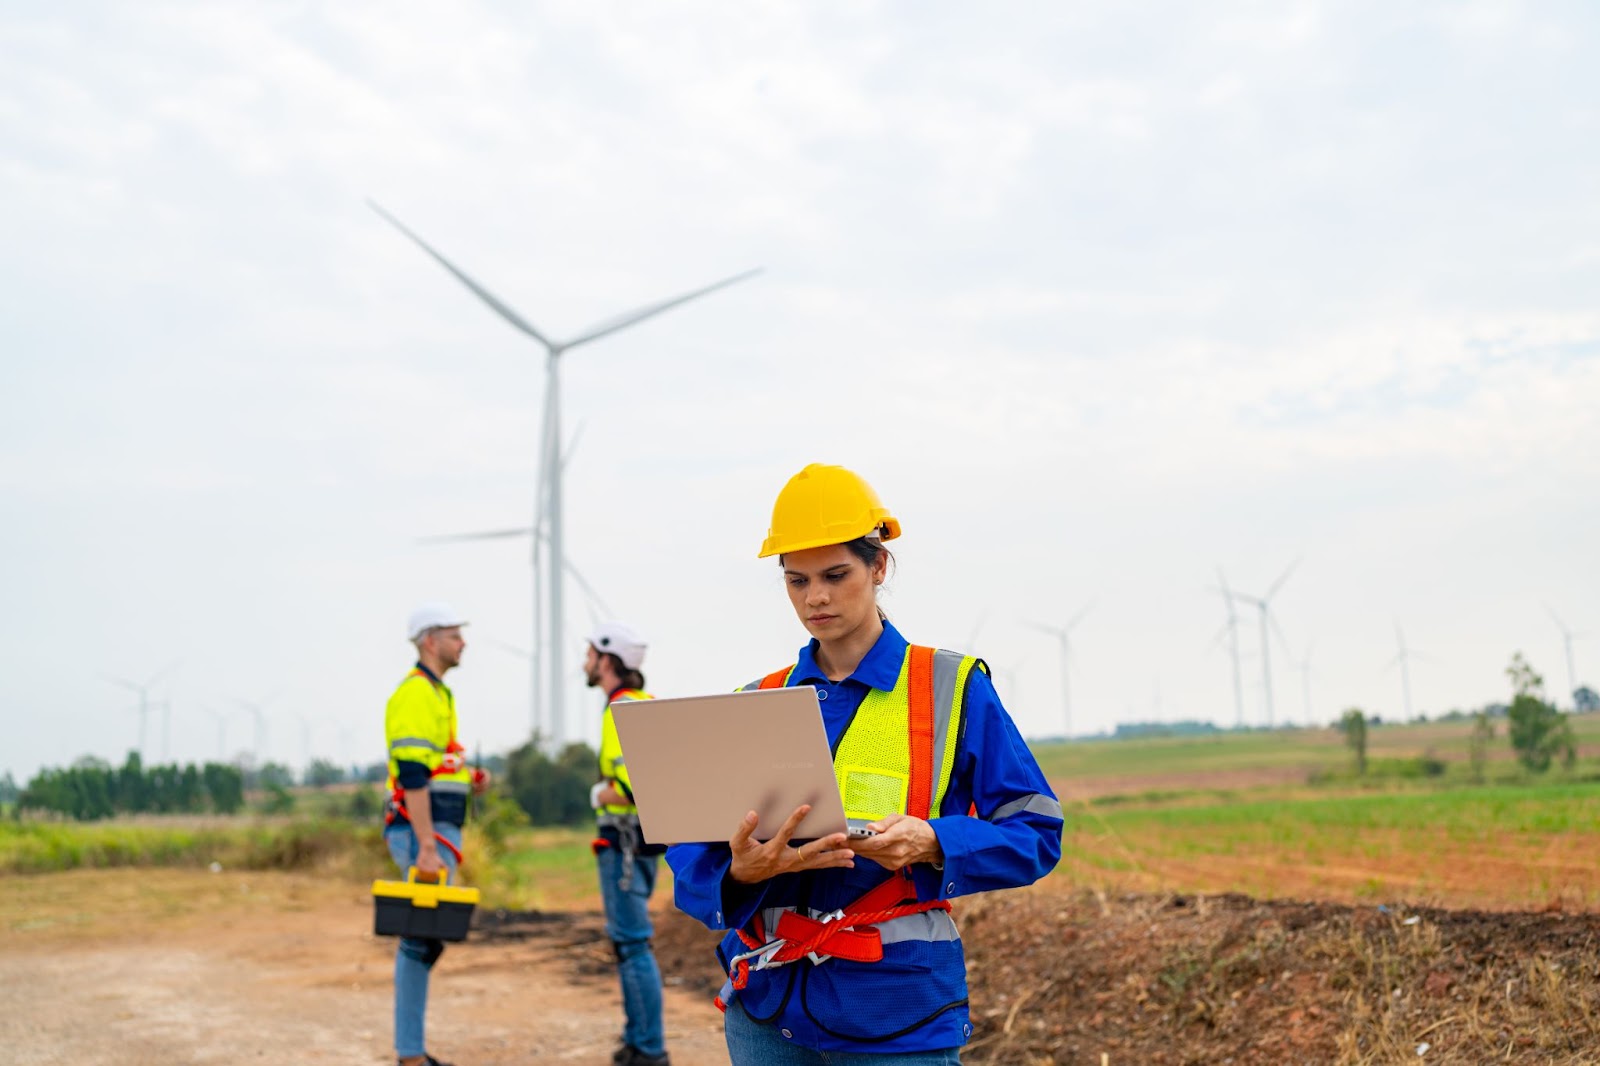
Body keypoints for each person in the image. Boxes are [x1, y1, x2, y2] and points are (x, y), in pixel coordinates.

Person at [667, 463, 1064, 1063]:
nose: (815, 597)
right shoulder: (757, 700)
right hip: (768, 1011)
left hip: (897, 1013)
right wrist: (739, 873)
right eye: (796, 581)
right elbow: (694, 856)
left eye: (834, 574)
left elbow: (1036, 831)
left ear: (879, 566)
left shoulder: (949, 687)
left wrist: (933, 841)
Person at [383, 602, 490, 1066]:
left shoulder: (437, 694)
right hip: (421, 834)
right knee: (418, 938)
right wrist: (426, 844)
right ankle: (410, 1054)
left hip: (435, 831)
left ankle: (411, 1050)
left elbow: (433, 766)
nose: (462, 642)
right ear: (430, 640)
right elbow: (411, 774)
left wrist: (467, 776)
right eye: (453, 634)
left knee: (425, 937)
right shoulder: (415, 695)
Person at [586, 621, 671, 1066]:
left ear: (606, 660)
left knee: (632, 943)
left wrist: (600, 793)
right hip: (641, 842)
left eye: (589, 654)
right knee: (631, 942)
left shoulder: (619, 709)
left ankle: (649, 1048)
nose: (584, 662)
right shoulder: (645, 704)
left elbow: (636, 785)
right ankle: (638, 1038)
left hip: (621, 842)